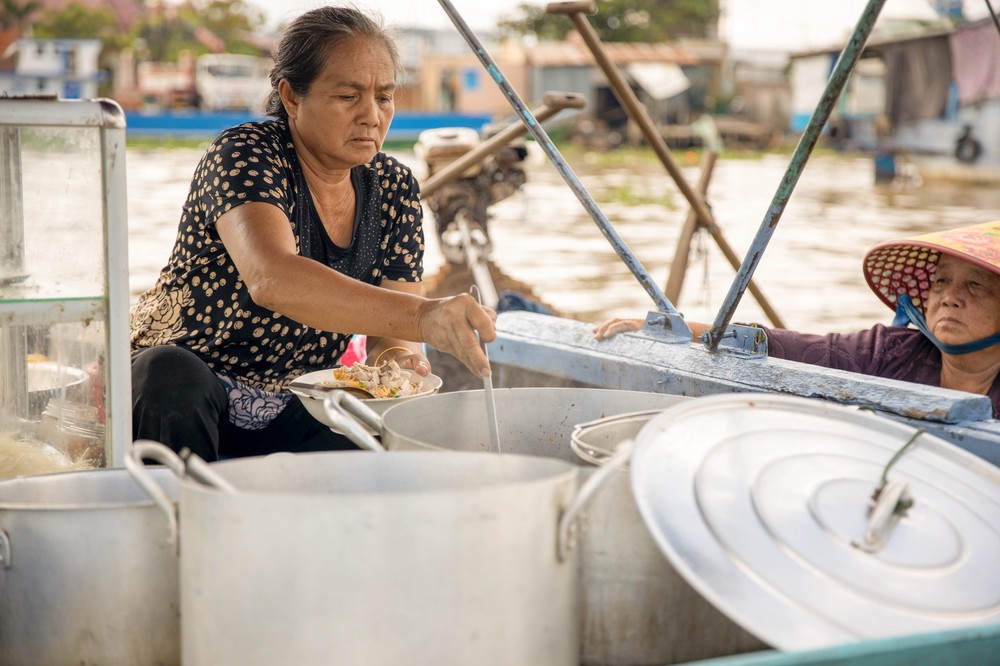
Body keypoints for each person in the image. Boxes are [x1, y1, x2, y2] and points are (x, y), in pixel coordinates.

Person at [130, 6, 496, 462]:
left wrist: (395, 365)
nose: (371, 115)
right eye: (348, 97)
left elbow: (392, 333)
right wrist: (425, 316)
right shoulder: (246, 153)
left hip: (297, 400)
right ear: (291, 97)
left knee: (391, 437)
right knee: (169, 371)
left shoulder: (395, 187)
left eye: (384, 97)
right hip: (186, 392)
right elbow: (273, 278)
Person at [594, 220, 1000, 416]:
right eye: (941, 282)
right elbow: (791, 348)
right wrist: (672, 328)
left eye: (975, 287)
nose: (949, 298)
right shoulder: (890, 352)